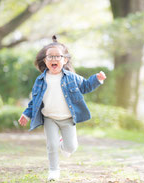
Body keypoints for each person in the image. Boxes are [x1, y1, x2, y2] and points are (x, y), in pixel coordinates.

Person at [18, 35, 106, 181]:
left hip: (68, 119)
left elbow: (84, 86)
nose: (53, 59)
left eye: (57, 56)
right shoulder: (40, 80)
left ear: (64, 60)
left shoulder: (71, 77)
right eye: (50, 57)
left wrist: (97, 79)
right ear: (45, 61)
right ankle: (53, 170)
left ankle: (63, 144)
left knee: (71, 147)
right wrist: (26, 115)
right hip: (49, 118)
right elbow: (34, 101)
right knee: (51, 145)